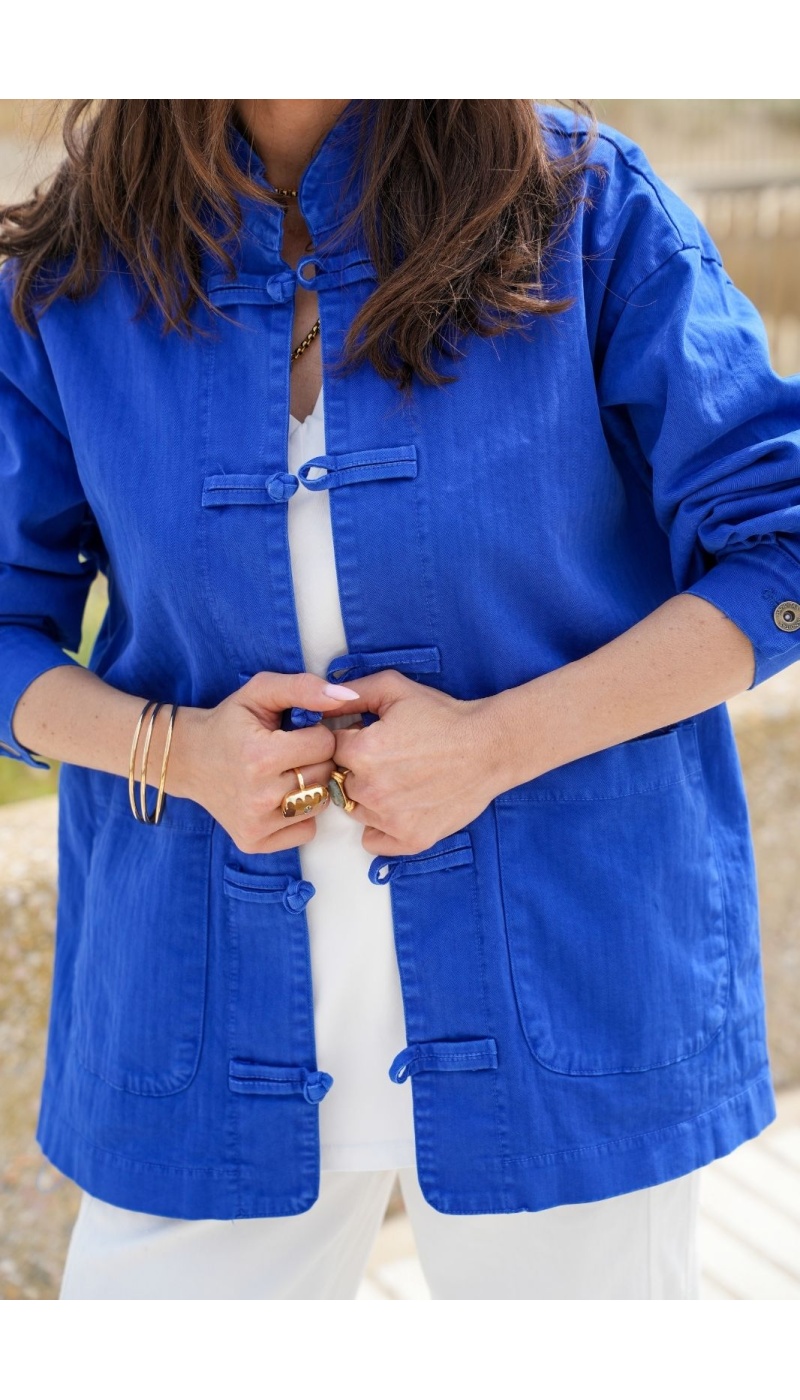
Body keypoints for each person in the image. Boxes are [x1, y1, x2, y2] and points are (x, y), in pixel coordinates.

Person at [0, 98, 798, 1301]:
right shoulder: (73, 274)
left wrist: (494, 744)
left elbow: (779, 545)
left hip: (566, 975)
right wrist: (176, 751)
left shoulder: (580, 205)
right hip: (197, 1003)